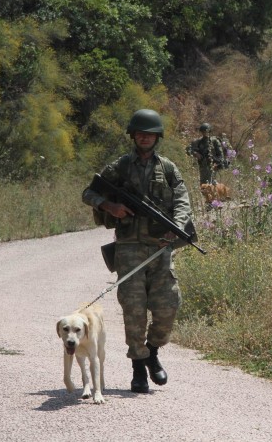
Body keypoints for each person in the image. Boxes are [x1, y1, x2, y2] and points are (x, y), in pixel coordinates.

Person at [82, 109, 194, 394]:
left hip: (160, 249)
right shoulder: (119, 167)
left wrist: (177, 226)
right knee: (133, 311)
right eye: (140, 133)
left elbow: (182, 201)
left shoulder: (168, 168)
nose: (145, 138)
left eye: (150, 134)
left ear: (158, 137)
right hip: (129, 248)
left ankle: (153, 351)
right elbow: (89, 193)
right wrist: (110, 207)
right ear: (133, 136)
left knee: (168, 307)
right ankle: (138, 368)